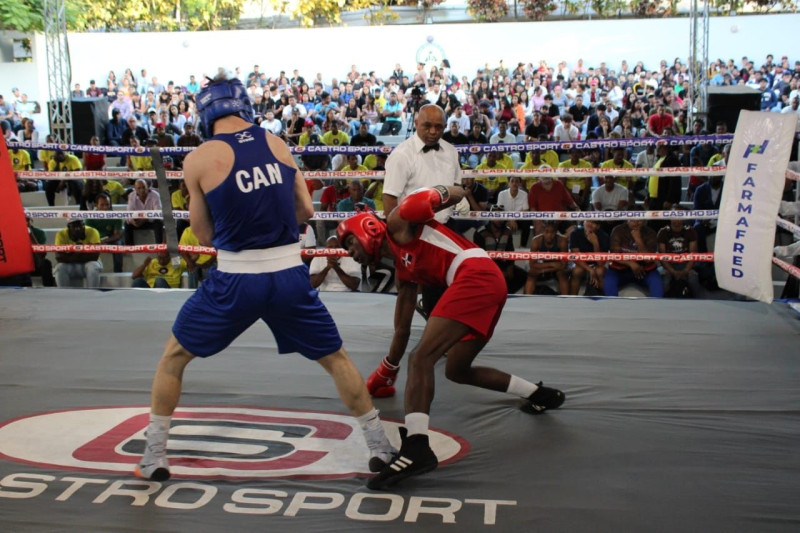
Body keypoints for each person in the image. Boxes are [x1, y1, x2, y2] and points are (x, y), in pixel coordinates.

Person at [135, 76, 394, 483]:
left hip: (236, 279)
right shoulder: (277, 143)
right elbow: (307, 210)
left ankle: (154, 457)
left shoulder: (198, 159)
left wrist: (239, 228)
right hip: (289, 275)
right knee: (336, 359)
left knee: (173, 358)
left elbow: (203, 236)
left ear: (205, 114)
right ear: (243, 106)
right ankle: (379, 447)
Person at [337, 186, 565, 490]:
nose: (350, 253)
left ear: (366, 228)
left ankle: (417, 447)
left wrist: (442, 193)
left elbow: (453, 193)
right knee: (457, 369)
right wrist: (387, 367)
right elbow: (402, 329)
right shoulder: (404, 272)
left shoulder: (398, 223)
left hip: (475, 275)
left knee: (421, 360)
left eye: (349, 243)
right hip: (483, 280)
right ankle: (539, 394)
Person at [382, 103, 462, 320]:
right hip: (414, 231)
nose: (433, 131)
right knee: (414, 291)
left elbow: (455, 188)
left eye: (439, 126)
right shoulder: (402, 155)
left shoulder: (451, 152)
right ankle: (426, 343)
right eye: (427, 126)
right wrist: (400, 238)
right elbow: (389, 199)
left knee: (447, 288)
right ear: (416, 123)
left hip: (444, 228)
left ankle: (439, 335)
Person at [604, 219, 664, 297]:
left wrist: (638, 239)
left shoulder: (650, 233)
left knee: (657, 285)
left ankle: (655, 308)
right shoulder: (618, 230)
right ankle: (613, 307)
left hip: (644, 270)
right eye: (633, 220)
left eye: (639, 221)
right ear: (627, 220)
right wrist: (631, 263)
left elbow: (648, 259)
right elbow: (614, 254)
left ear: (644, 221)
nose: (636, 223)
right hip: (620, 270)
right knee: (609, 283)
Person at [53, 218, 103, 288]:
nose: (78, 229)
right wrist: (81, 252)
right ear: (69, 227)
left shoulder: (92, 231)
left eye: (80, 226)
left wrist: (72, 254)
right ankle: (64, 294)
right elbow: (59, 257)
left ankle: (93, 293)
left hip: (88, 264)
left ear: (84, 225)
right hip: (70, 266)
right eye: (74, 226)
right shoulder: (61, 234)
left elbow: (95, 256)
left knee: (93, 266)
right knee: (59, 268)